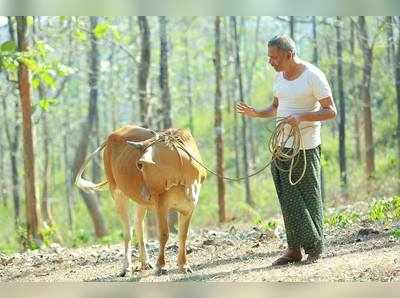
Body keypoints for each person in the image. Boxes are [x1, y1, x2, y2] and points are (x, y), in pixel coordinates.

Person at [236, 34, 337, 265]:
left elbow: (330, 111)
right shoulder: (280, 78)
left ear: (289, 55)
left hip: (305, 147)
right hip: (281, 148)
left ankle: (315, 246)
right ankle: (294, 250)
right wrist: (256, 113)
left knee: (307, 197)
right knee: (287, 199)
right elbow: (275, 108)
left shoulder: (313, 76)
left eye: (275, 57)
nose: (271, 62)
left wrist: (301, 117)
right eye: (269, 57)